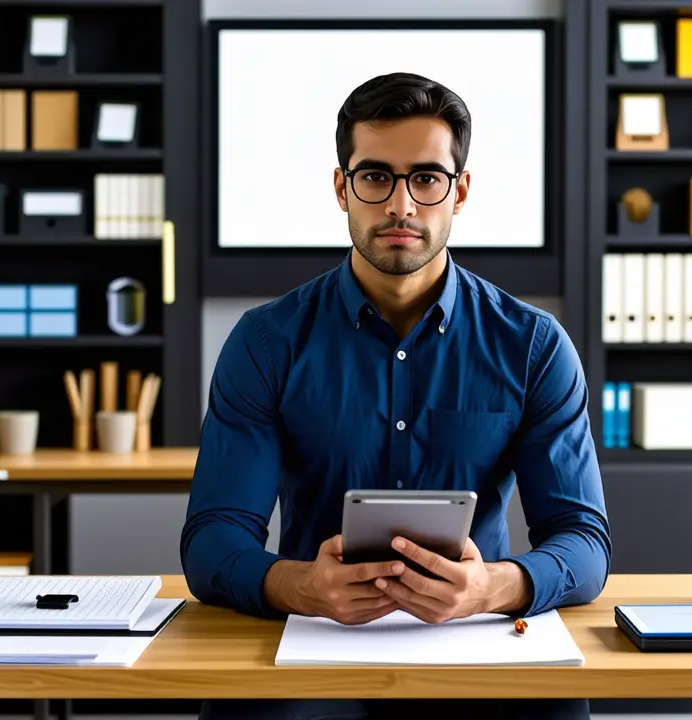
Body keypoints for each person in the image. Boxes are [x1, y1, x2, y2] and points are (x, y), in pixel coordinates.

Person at [182, 72, 610, 720]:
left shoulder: (533, 346)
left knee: (556, 708)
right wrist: (298, 584)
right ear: (342, 188)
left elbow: (583, 540)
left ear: (459, 191)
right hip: (313, 635)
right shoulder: (267, 343)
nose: (401, 206)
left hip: (477, 632)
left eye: (427, 178)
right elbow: (213, 539)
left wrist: (491, 586)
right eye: (376, 177)